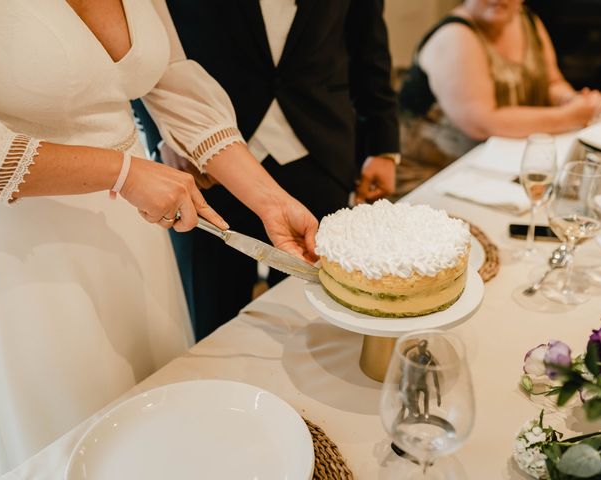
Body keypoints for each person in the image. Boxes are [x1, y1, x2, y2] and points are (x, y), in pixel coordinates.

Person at [0, 0, 318, 472]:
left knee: (157, 417)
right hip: (33, 250)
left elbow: (171, 82)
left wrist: (269, 201)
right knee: (74, 434)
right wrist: (122, 171)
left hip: (134, 232)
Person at [134, 0, 401, 340]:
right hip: (205, 167)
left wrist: (382, 146)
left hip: (321, 150)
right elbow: (139, 48)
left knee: (324, 316)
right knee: (212, 317)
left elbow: (369, 49)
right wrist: (164, 137)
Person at [395, 0, 601, 197]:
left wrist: (571, 99)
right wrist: (569, 116)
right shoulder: (454, 36)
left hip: (498, 169)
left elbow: (551, 81)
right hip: (435, 178)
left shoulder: (526, 20)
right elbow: (483, 122)